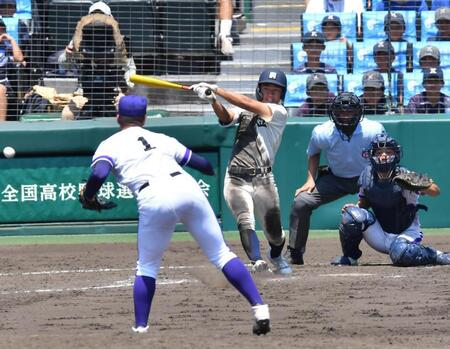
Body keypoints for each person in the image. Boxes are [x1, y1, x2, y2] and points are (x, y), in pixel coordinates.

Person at [78, 95, 271, 336]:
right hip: (188, 188)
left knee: (147, 267)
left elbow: (99, 174)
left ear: (118, 117)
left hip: (154, 196)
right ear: (144, 118)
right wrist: (212, 171)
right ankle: (260, 308)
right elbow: (202, 164)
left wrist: (88, 196)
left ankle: (140, 328)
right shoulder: (162, 139)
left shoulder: (110, 144)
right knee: (221, 254)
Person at [189, 69, 293, 275]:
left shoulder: (278, 113)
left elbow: (246, 103)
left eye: (275, 91)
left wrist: (216, 89)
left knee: (275, 234)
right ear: (259, 90)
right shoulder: (248, 112)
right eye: (266, 89)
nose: (270, 94)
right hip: (236, 176)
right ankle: (257, 261)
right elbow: (227, 117)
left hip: (263, 178)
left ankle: (276, 255)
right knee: (245, 220)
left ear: (282, 94)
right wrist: (212, 101)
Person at [287, 92, 385, 265]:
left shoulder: (374, 130)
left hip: (367, 178)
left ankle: (401, 241)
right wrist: (310, 179)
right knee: (301, 201)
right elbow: (313, 153)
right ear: (333, 113)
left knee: (392, 197)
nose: (346, 116)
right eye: (341, 112)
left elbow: (383, 153)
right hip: (336, 178)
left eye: (350, 112)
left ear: (358, 112)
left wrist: (380, 180)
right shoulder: (322, 132)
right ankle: (295, 251)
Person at [331, 133, 450, 266]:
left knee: (401, 253)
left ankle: (436, 255)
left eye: (388, 151)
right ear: (370, 155)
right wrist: (354, 208)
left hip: (406, 233)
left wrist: (420, 183)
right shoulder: (366, 177)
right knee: (351, 216)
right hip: (380, 234)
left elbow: (435, 191)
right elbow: (363, 204)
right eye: (379, 152)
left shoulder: (405, 176)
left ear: (397, 155)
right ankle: (350, 257)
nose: (384, 156)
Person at [58, 1, 136, 118]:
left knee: (127, 111)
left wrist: (125, 92)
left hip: (114, 90)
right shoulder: (79, 39)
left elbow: (130, 68)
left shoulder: (120, 41)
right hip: (84, 92)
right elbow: (64, 66)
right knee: (67, 114)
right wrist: (68, 54)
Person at [0, 18, 24, 121]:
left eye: (2, 30)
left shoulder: (7, 47)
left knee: (0, 89)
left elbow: (19, 59)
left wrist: (11, 40)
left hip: (2, 83)